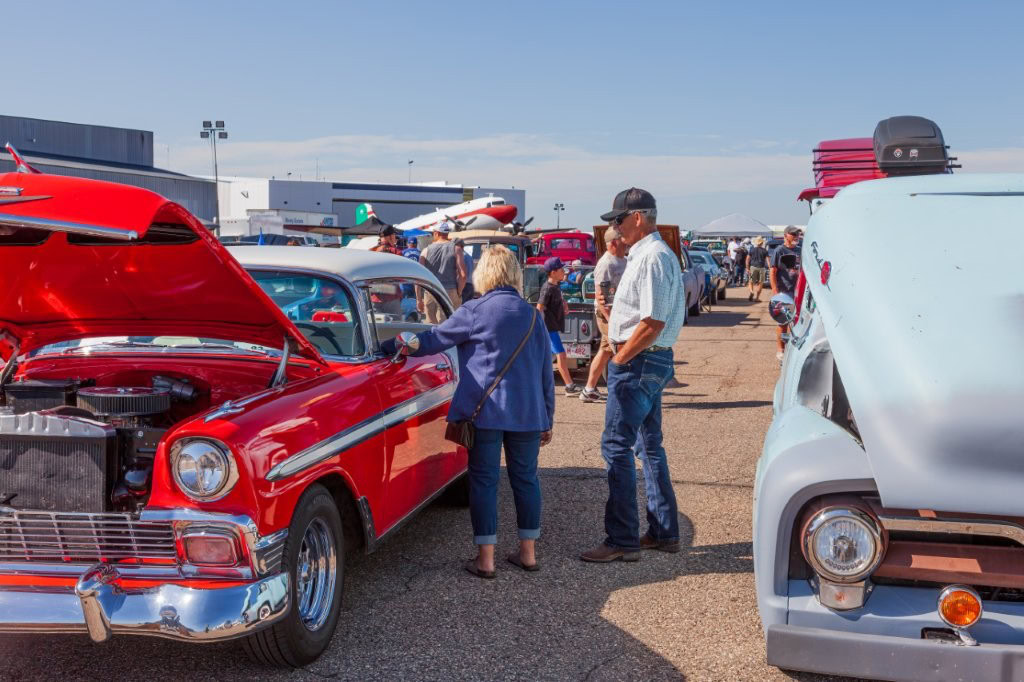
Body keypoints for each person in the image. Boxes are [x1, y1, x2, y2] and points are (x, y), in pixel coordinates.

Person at [381, 245, 554, 578]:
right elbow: (546, 372)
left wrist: (392, 345)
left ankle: (486, 560)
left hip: (485, 412)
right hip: (529, 413)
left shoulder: (475, 311)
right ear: (514, 274)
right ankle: (528, 554)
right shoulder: (533, 316)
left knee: (485, 481)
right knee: (526, 480)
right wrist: (548, 416)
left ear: (484, 273)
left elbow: (432, 340)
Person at [581, 188, 686, 563]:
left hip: (639, 362)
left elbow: (653, 321)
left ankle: (622, 539)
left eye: (618, 220)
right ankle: (663, 531)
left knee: (616, 447)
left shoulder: (651, 257)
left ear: (638, 218)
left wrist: (620, 358)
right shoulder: (652, 255)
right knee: (648, 447)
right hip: (648, 361)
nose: (615, 227)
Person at [580, 227, 628, 403]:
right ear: (614, 242)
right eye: (623, 238)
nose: (626, 241)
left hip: (618, 314)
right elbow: (602, 297)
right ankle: (620, 391)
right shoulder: (606, 264)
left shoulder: (624, 260)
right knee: (620, 350)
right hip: (608, 315)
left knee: (605, 350)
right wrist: (611, 320)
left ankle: (589, 389)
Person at [537, 257, 581, 395]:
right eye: (561, 269)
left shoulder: (556, 286)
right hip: (548, 328)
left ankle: (536, 384)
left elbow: (559, 300)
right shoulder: (547, 288)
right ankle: (569, 386)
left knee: (544, 358)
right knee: (561, 355)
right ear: (553, 272)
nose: (564, 271)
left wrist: (564, 305)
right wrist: (538, 328)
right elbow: (539, 308)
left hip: (553, 327)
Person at [419, 222, 466, 322]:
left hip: (431, 291)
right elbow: (463, 275)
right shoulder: (456, 249)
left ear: (436, 233)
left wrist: (419, 299)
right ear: (447, 233)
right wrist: (459, 292)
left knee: (430, 326)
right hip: (450, 290)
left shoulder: (425, 251)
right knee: (449, 325)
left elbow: (419, 276)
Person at [770, 225, 802, 361]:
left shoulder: (800, 250)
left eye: (797, 234)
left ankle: (794, 349)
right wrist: (775, 291)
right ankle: (780, 350)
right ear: (785, 235)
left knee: (797, 321)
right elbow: (773, 271)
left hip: (798, 291)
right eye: (793, 234)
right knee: (783, 322)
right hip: (784, 291)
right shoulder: (779, 251)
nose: (796, 237)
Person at [747, 236, 770, 302]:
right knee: (760, 283)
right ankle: (757, 298)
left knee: (751, 282)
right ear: (762, 243)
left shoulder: (752, 250)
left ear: (756, 243)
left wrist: (747, 268)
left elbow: (747, 259)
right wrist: (770, 268)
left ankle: (751, 291)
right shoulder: (765, 251)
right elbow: (768, 261)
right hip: (761, 268)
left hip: (753, 267)